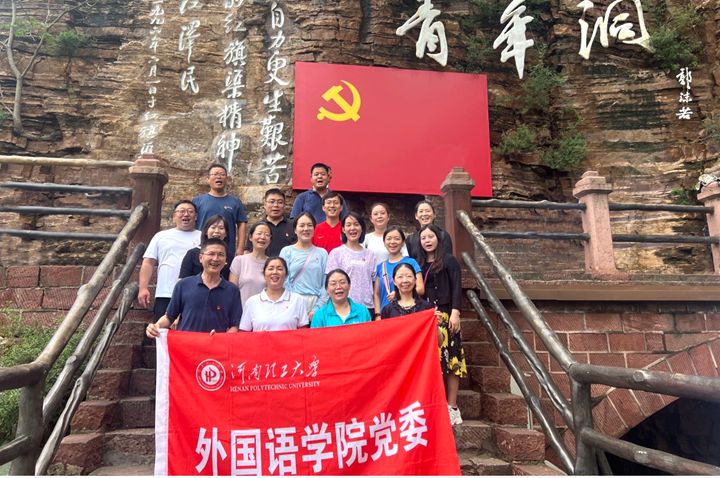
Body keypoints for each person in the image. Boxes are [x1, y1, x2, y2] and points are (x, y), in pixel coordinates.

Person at [416, 224, 468, 426]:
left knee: (453, 360)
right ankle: (434, 404)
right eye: (423, 238)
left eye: (430, 237)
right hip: (427, 317)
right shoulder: (418, 264)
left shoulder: (449, 260)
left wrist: (455, 312)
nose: (427, 241)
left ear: (439, 238)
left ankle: (452, 406)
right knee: (432, 362)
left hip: (446, 314)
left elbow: (456, 286)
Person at [145, 238, 241, 337]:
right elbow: (169, 317)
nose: (215, 258)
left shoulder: (232, 290)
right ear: (201, 258)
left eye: (221, 255)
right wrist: (156, 326)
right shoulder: (183, 285)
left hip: (216, 346)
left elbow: (234, 326)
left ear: (226, 260)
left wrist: (220, 339)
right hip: (186, 344)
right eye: (211, 254)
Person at [138, 200, 202, 320]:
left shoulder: (203, 237)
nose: (186, 214)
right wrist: (143, 288)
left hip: (195, 293)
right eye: (181, 211)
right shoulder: (161, 236)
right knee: (162, 329)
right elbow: (148, 263)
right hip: (165, 293)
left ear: (196, 216)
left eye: (190, 211)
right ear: (174, 216)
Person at [192, 163, 248, 258]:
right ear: (208, 179)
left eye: (222, 174)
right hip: (202, 248)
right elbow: (192, 223)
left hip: (227, 250)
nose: (219, 177)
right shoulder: (198, 201)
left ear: (227, 179)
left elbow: (242, 223)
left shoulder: (235, 201)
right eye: (215, 174)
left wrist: (240, 248)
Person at [326, 212, 377, 315]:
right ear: (343, 229)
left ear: (362, 228)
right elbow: (330, 282)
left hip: (367, 307)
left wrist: (377, 312)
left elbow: (375, 282)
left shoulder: (370, 254)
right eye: (348, 225)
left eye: (356, 224)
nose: (352, 228)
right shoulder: (336, 253)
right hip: (343, 307)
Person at [239, 257, 309, 331]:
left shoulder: (298, 300)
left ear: (286, 274)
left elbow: (303, 333)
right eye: (270, 269)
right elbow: (243, 333)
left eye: (279, 269)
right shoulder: (252, 302)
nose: (275, 272)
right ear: (264, 274)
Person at [280, 212, 328, 318]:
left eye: (309, 225)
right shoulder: (287, 251)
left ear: (314, 229)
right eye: (302, 225)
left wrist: (318, 308)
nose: (306, 229)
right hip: (292, 303)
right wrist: (292, 303)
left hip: (316, 303)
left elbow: (326, 283)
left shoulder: (322, 253)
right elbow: (283, 280)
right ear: (295, 230)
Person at [373, 226, 424, 318]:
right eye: (389, 239)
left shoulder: (411, 262)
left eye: (397, 238)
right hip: (386, 315)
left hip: (409, 313)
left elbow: (420, 289)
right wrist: (378, 314)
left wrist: (398, 293)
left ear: (403, 242)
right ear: (384, 242)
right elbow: (376, 294)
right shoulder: (381, 267)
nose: (392, 242)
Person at [230, 222, 271, 306]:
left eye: (267, 235)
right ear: (250, 237)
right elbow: (232, 291)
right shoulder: (239, 261)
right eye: (259, 233)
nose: (262, 237)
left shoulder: (272, 264)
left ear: (270, 240)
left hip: (265, 311)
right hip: (241, 310)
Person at [245, 188, 295, 256]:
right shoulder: (257, 227)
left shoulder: (293, 226)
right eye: (272, 202)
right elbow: (248, 250)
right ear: (265, 205)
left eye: (280, 202)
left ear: (284, 205)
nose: (276, 205)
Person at [179, 215, 231, 280]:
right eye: (213, 227)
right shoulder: (192, 253)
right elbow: (183, 280)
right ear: (206, 231)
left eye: (221, 228)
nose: (217, 231)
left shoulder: (229, 256)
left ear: (226, 233)